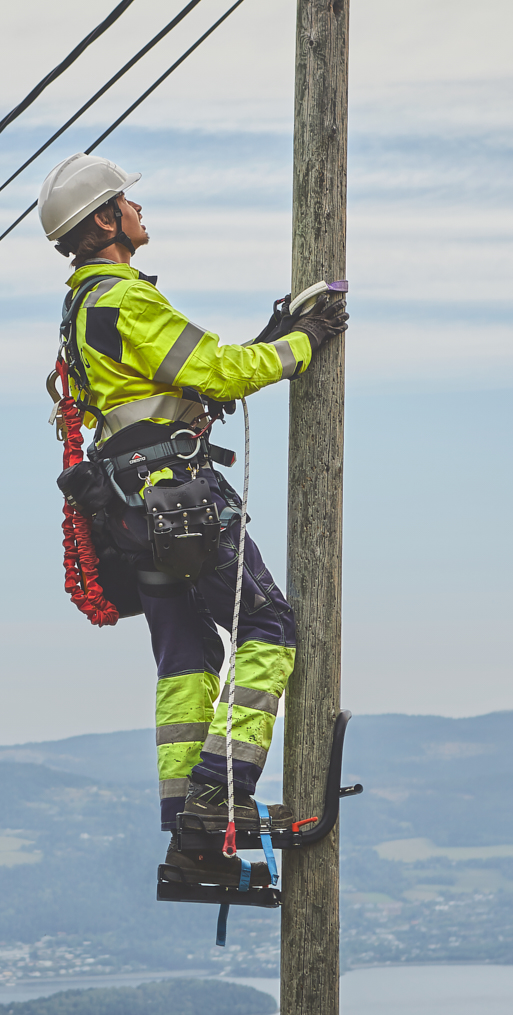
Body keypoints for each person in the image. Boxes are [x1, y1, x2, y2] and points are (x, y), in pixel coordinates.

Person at [38, 153, 348, 888]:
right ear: (105, 222)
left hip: (130, 513)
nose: (141, 213)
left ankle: (190, 838)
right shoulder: (126, 301)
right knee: (269, 626)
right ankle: (219, 799)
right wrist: (305, 340)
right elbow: (220, 372)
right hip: (178, 500)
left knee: (185, 659)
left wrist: (268, 335)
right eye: (127, 203)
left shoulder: (83, 308)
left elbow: (178, 383)